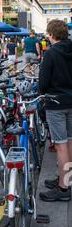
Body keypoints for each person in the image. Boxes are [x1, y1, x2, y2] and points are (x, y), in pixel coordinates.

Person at [39, 20, 72, 202]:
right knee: (69, 143)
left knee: (60, 145)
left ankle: (63, 188)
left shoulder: (51, 54)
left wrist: (43, 93)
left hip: (57, 103)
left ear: (51, 34)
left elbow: (43, 83)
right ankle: (66, 178)